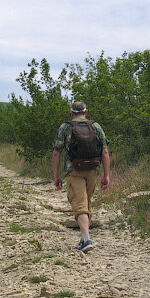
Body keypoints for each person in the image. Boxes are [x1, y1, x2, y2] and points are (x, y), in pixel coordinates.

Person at [52, 100, 111, 253]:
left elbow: (57, 152)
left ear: (71, 113)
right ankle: (83, 238)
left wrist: (56, 175)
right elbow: (105, 152)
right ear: (86, 112)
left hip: (74, 170)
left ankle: (86, 240)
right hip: (92, 169)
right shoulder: (96, 126)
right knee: (87, 204)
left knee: (80, 206)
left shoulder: (66, 127)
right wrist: (106, 175)